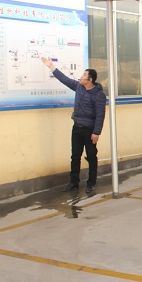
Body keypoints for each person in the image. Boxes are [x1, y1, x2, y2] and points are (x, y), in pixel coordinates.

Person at [41, 57, 106, 194]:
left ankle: (91, 183)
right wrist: (51, 66)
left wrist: (96, 132)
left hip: (89, 130)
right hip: (77, 128)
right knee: (75, 156)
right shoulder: (78, 87)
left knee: (91, 156)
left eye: (84, 75)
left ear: (90, 80)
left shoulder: (98, 95)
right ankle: (73, 183)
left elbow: (100, 115)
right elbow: (64, 79)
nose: (81, 77)